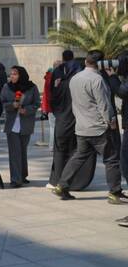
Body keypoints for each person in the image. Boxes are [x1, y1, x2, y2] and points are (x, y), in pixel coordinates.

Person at [53, 51, 127, 203]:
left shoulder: (75, 78)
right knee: (111, 159)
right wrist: (111, 121)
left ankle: (62, 185)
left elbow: (75, 103)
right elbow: (103, 104)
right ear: (100, 64)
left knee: (78, 157)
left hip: (82, 127)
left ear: (86, 61)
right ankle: (115, 192)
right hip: (98, 128)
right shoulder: (97, 80)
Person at [1, 66, 39, 188]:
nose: (11, 76)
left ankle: (22, 175)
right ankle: (16, 179)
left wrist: (26, 110)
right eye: (11, 74)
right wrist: (12, 105)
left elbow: (37, 103)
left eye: (15, 74)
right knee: (14, 153)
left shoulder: (32, 87)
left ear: (21, 75)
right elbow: (2, 102)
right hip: (12, 125)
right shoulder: (7, 87)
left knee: (22, 151)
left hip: (26, 124)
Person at [48, 50, 81, 186]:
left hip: (62, 119)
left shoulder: (58, 76)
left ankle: (57, 180)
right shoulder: (78, 74)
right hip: (76, 118)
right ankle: (72, 181)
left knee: (60, 150)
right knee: (75, 150)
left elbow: (52, 96)